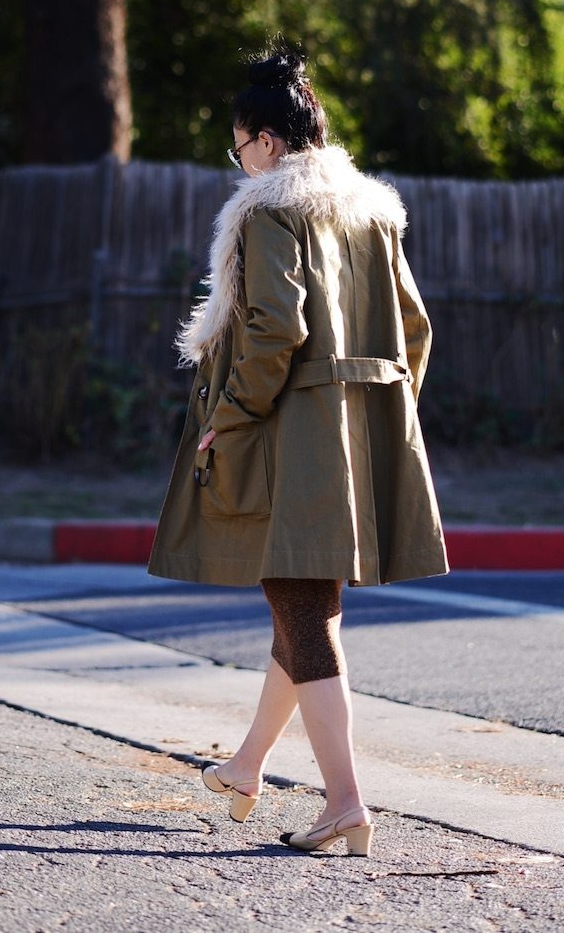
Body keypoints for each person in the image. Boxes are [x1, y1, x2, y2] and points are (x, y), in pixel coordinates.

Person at [147, 45, 448, 856]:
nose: (237, 162)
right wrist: (386, 419)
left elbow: (277, 327)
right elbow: (415, 328)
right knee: (307, 608)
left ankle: (345, 801)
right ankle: (248, 767)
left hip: (291, 436)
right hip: (361, 429)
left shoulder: (270, 209)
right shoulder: (374, 212)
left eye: (239, 146)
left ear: (269, 143)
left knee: (304, 612)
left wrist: (233, 417)